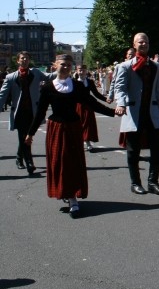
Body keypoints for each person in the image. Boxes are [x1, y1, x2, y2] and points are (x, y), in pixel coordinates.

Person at [24, 54, 115, 218]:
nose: (65, 67)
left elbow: (92, 104)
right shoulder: (47, 87)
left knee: (72, 162)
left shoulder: (78, 86)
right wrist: (30, 133)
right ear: (55, 65)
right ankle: (65, 192)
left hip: (73, 127)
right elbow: (40, 113)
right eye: (62, 64)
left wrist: (113, 112)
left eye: (68, 65)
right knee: (59, 163)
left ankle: (73, 198)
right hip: (56, 129)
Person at [114, 33, 159, 195]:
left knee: (157, 148)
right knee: (133, 150)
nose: (143, 44)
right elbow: (120, 87)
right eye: (140, 41)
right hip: (133, 113)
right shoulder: (125, 66)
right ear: (134, 44)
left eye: (146, 41)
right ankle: (135, 183)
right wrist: (121, 103)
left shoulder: (155, 66)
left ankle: (153, 181)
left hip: (151, 113)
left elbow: (158, 91)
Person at [0, 51, 54, 175]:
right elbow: (2, 95)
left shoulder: (35, 73)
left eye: (27, 58)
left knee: (27, 136)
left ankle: (19, 157)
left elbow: (49, 76)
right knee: (23, 136)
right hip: (19, 113)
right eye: (22, 58)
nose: (25, 60)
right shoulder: (11, 77)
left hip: (32, 112)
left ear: (29, 60)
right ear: (18, 60)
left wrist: (60, 68)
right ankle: (30, 162)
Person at [73, 64, 108, 153]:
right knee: (77, 125)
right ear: (76, 71)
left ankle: (88, 143)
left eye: (83, 70)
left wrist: (106, 99)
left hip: (88, 106)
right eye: (79, 70)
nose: (81, 71)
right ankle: (78, 143)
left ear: (86, 71)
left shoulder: (90, 82)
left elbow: (96, 93)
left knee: (87, 124)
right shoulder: (73, 82)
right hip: (77, 106)